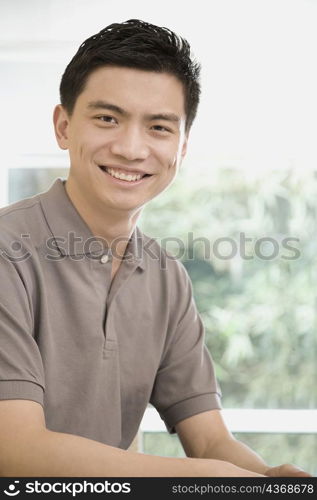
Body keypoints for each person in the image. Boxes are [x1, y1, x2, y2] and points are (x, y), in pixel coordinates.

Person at [0, 19, 310, 477]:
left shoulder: (167, 277)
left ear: (182, 147)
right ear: (64, 127)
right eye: (108, 118)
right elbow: (15, 449)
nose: (130, 148)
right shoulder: (9, 253)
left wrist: (268, 479)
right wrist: (217, 479)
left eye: (159, 127)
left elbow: (209, 438)